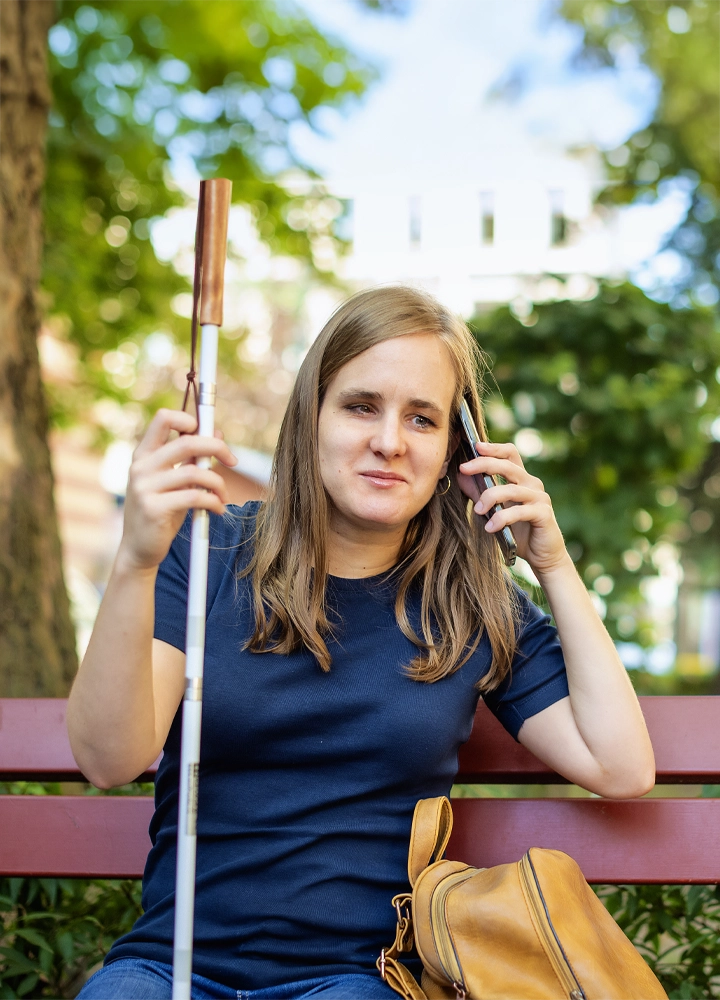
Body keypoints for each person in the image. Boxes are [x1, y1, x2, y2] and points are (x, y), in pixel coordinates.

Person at [67, 285, 655, 1000]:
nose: (389, 440)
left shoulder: (471, 601)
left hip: (352, 980)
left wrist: (553, 565)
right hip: (170, 970)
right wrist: (134, 561)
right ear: (311, 415)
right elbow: (108, 757)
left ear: (456, 453)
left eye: (423, 418)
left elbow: (620, 767)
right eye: (360, 406)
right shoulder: (206, 554)